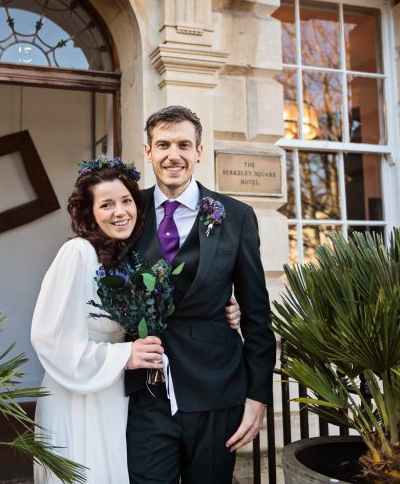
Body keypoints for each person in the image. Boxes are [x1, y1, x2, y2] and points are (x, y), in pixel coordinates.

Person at [31, 160, 242, 483]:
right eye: (106, 204)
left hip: (115, 396)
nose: (120, 212)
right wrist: (124, 355)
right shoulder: (77, 253)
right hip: (79, 397)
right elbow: (49, 338)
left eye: (126, 201)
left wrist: (224, 305)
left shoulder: (125, 257)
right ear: (89, 213)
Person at [125, 106, 277, 484]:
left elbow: (257, 313)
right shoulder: (127, 212)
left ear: (199, 151)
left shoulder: (236, 215)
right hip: (148, 390)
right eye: (163, 145)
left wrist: (257, 397)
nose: (172, 154)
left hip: (216, 388)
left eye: (182, 144)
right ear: (148, 151)